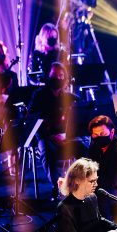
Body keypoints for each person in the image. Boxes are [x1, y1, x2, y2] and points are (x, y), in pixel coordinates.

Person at [28, 62, 80, 193]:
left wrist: (67, 135)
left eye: (61, 75)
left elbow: (75, 121)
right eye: (54, 74)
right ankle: (57, 185)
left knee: (84, 147)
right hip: (45, 137)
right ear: (48, 75)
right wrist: (51, 136)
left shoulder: (69, 97)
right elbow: (32, 121)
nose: (57, 77)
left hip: (65, 137)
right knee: (47, 150)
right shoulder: (38, 95)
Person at [84, 115, 117, 222]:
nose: (99, 137)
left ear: (112, 132)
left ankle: (103, 230)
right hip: (102, 186)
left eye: (103, 134)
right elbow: (88, 169)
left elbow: (111, 181)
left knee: (99, 193)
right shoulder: (94, 146)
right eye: (95, 134)